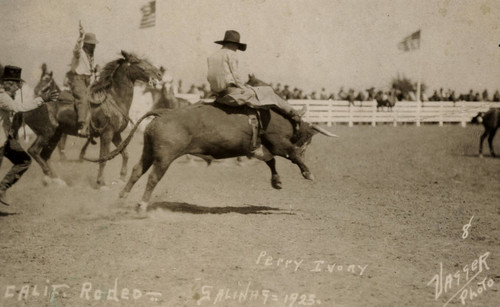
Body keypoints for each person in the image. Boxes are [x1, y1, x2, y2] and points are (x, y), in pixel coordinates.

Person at [207, 30, 305, 125]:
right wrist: (242, 87)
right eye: (237, 45)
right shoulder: (231, 54)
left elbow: (209, 77)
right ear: (234, 44)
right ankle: (294, 113)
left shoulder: (211, 57)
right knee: (268, 91)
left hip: (218, 96)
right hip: (232, 95)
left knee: (254, 90)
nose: (236, 48)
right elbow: (236, 76)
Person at [0, 66, 58, 207]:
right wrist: (41, 99)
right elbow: (18, 107)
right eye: (17, 85)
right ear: (9, 84)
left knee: (24, 160)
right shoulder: (2, 97)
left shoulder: (7, 96)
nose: (18, 88)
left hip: (5, 139)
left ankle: (2, 188)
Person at [70, 22, 98, 137]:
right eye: (91, 45)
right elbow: (76, 50)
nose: (93, 47)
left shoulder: (91, 57)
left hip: (88, 81)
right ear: (86, 44)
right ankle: (82, 125)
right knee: (84, 99)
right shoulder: (80, 53)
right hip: (78, 81)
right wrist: (80, 37)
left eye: (94, 45)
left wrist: (96, 70)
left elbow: (90, 70)